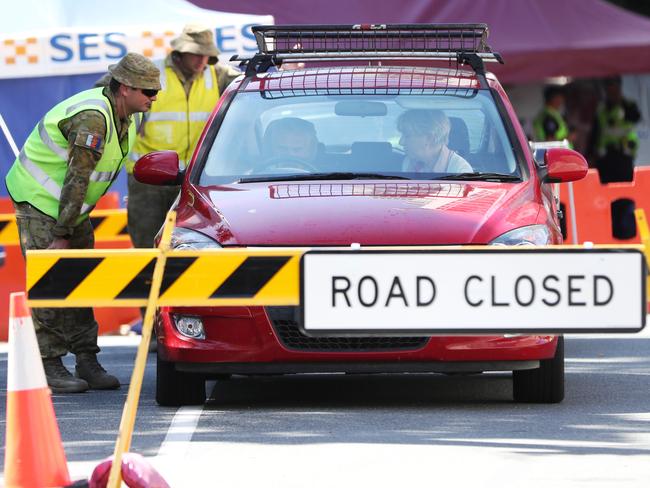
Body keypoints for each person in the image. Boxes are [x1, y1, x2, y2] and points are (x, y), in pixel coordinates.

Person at [4, 53, 161, 393]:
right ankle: (49, 363)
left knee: (80, 281)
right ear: (125, 89)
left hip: (71, 208)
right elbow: (77, 177)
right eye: (148, 92)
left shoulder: (125, 115)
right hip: (41, 202)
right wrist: (62, 233)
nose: (153, 98)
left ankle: (87, 359)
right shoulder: (93, 118)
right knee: (51, 282)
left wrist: (72, 222)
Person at [125, 24, 241, 249]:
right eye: (196, 54)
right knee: (146, 246)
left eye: (207, 55)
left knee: (193, 245)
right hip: (148, 179)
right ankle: (148, 283)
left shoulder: (219, 75)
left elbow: (253, 82)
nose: (201, 61)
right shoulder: (152, 73)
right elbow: (110, 94)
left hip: (195, 180)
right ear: (180, 53)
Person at [589, 76, 641, 183]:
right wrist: (591, 154)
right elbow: (595, 133)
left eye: (614, 87)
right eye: (609, 88)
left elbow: (635, 117)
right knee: (606, 190)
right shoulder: (602, 109)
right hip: (605, 157)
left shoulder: (628, 105)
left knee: (626, 188)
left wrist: (621, 103)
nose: (612, 91)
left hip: (623, 155)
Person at [397, 109, 472, 173]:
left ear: (429, 139)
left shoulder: (460, 171)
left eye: (407, 136)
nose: (401, 142)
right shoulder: (409, 162)